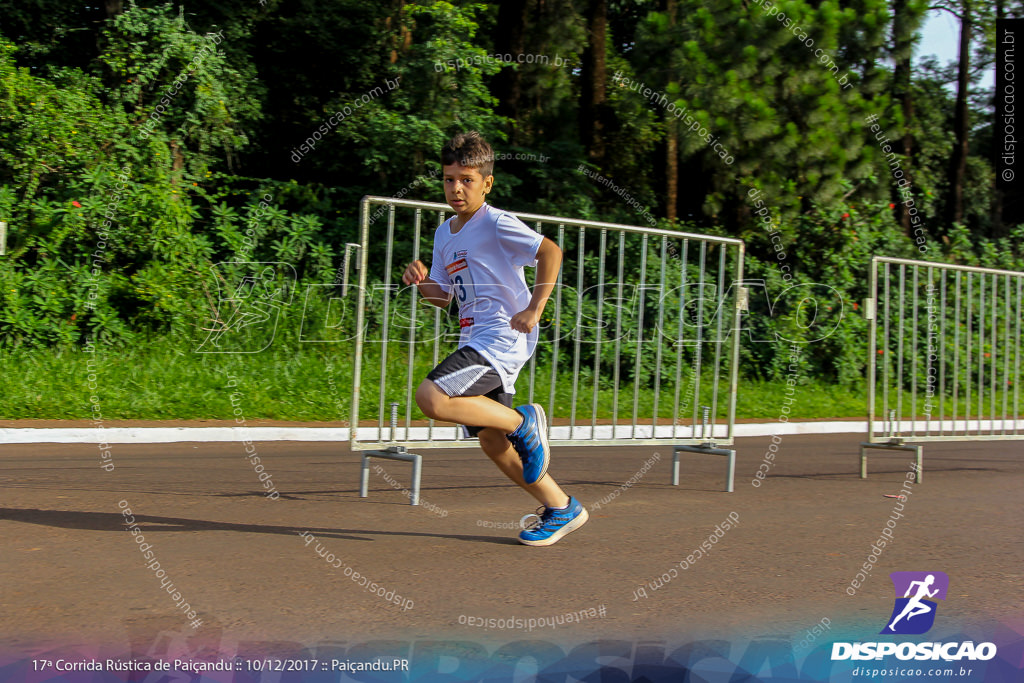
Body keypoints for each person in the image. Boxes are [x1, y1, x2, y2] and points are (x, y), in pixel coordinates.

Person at [401, 131, 588, 546]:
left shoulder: (496, 222)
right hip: (476, 336)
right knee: (491, 439)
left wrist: (534, 309)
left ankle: (525, 422)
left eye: (467, 179)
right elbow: (443, 298)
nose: (456, 188)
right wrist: (421, 281)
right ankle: (562, 507)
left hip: (501, 336)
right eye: (450, 179)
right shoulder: (444, 234)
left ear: (487, 183)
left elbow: (551, 252)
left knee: (431, 397)